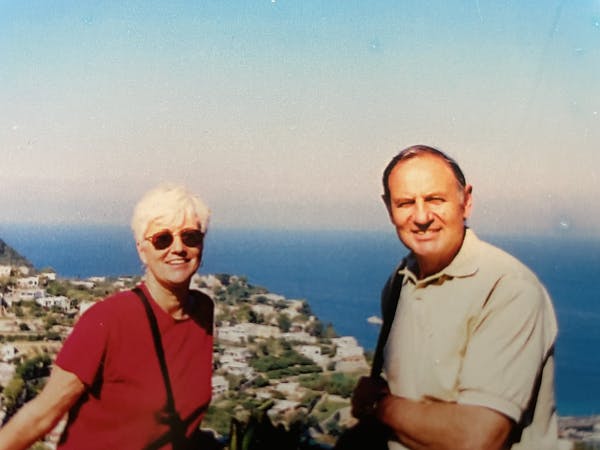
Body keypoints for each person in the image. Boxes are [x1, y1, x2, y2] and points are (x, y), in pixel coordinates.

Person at [351, 145, 565, 449]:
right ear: (389, 209)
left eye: (435, 199)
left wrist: (380, 406)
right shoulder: (400, 281)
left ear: (466, 202)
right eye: (406, 203)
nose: (422, 216)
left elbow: (477, 438)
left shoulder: (507, 288)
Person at [0, 183, 216, 449]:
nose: (179, 248)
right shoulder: (108, 320)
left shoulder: (203, 312)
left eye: (190, 236)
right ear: (141, 249)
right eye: (163, 239)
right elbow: (40, 416)